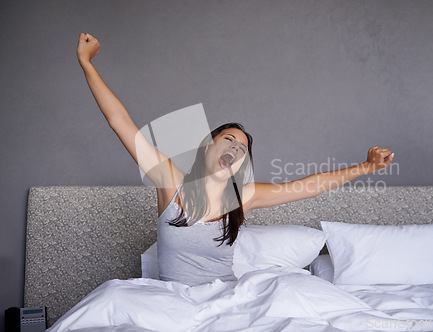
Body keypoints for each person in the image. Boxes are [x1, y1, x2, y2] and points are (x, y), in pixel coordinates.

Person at [76, 32, 395, 286]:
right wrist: (87, 62)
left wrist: (366, 167)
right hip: (172, 300)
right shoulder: (169, 179)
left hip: (226, 299)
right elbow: (120, 121)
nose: (234, 150)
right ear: (206, 147)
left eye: (242, 150)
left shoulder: (243, 197)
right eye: (228, 140)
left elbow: (308, 186)